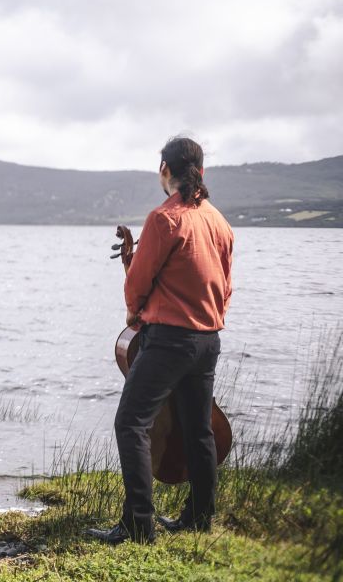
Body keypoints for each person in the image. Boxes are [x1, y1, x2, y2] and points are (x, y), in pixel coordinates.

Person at [88, 136, 233, 545]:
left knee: (131, 423)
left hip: (170, 340)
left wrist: (134, 312)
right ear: (200, 172)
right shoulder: (218, 221)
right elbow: (223, 287)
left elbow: (139, 285)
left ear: (164, 171)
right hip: (208, 340)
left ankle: (138, 523)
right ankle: (199, 518)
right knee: (197, 429)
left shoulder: (164, 218)